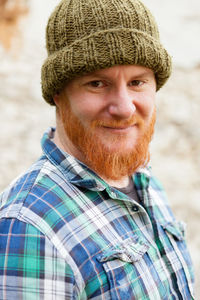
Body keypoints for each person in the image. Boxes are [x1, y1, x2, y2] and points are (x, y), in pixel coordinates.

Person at [0, 0, 195, 298]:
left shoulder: (141, 178)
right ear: (58, 92)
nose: (124, 107)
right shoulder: (31, 228)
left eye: (137, 82)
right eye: (96, 83)